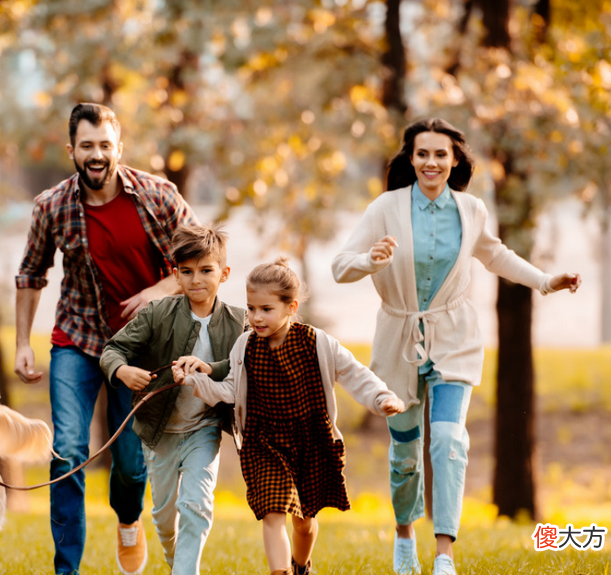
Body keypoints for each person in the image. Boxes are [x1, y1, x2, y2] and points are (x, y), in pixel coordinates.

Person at [331, 118, 582, 575]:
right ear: (410, 159)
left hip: (454, 338)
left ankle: (445, 552)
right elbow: (339, 267)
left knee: (447, 439)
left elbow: (495, 255)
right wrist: (370, 260)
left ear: (454, 161)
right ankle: (405, 531)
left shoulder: (470, 210)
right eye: (422, 154)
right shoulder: (385, 208)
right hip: (398, 338)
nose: (431, 162)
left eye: (440, 154)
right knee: (406, 450)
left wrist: (546, 281)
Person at [14, 102, 199, 575]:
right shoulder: (51, 206)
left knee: (132, 464)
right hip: (77, 340)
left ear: (119, 148)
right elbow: (31, 275)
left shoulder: (159, 196)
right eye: (87, 146)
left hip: (141, 348)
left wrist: (158, 290)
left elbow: (204, 258)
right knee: (69, 452)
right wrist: (21, 343)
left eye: (105, 146)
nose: (96, 155)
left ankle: (128, 520)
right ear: (71, 149)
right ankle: (66, 570)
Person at [176, 258, 405, 575]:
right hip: (264, 443)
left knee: (304, 523)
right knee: (272, 512)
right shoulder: (245, 346)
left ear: (291, 306)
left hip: (310, 441)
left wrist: (382, 397)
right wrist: (195, 382)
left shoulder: (317, 342)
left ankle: (301, 565)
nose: (256, 317)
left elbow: (355, 374)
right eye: (251, 308)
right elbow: (230, 389)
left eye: (266, 309)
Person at [100, 223, 246, 575]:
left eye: (206, 270)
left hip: (204, 428)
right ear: (176, 275)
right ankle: (176, 561)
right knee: (165, 519)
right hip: (160, 432)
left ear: (224, 274)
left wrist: (208, 368)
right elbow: (112, 350)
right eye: (187, 272)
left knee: (196, 504)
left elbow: (240, 366)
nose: (197, 280)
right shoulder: (157, 313)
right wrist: (123, 372)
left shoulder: (238, 322)